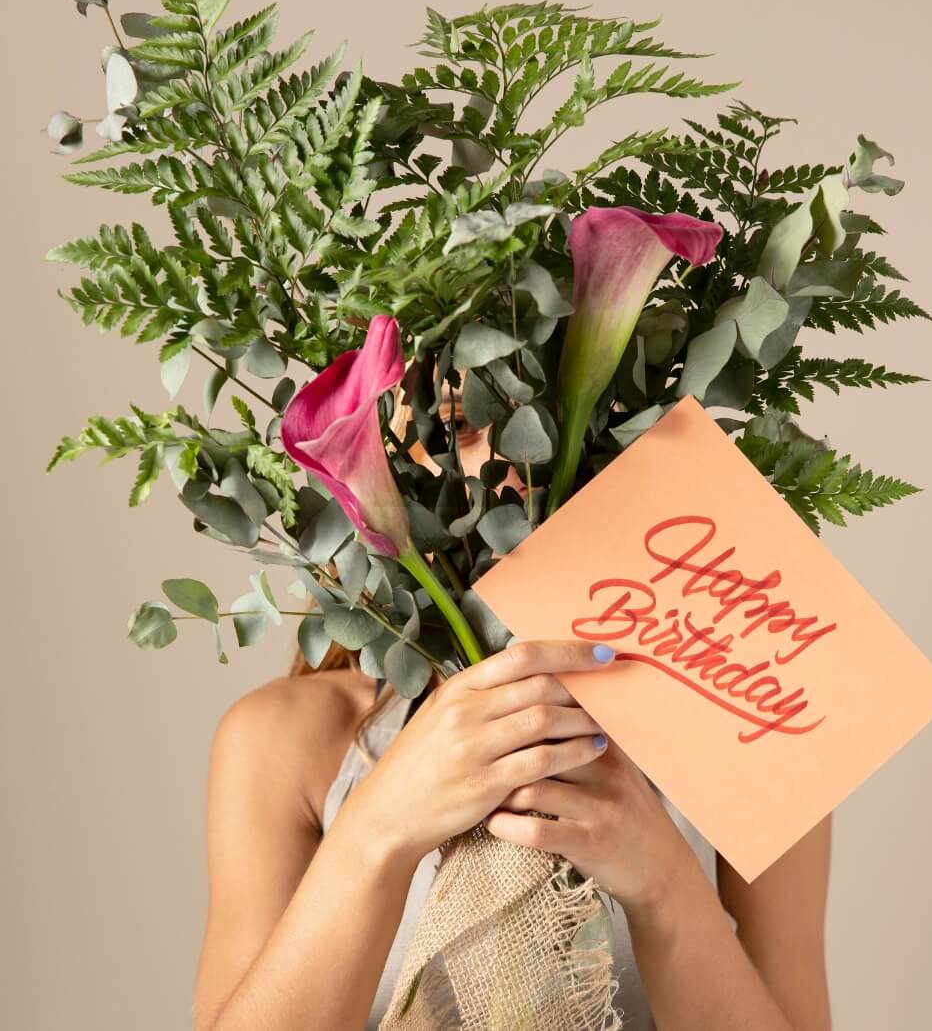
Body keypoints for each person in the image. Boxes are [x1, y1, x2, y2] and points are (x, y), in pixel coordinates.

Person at [192, 392, 832, 1031]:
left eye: (565, 412)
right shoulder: (286, 741)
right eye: (460, 427)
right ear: (389, 461)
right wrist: (379, 830)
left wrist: (665, 882)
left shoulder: (756, 724)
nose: (520, 467)